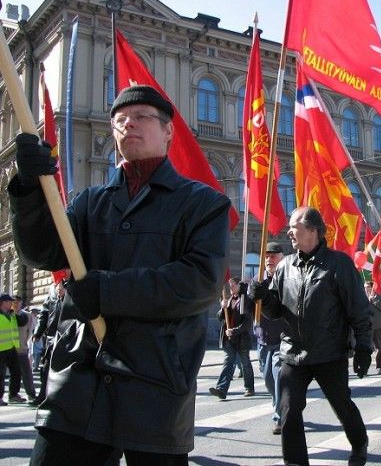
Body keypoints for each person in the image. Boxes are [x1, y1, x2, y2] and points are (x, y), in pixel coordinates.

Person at [9, 84, 231, 464]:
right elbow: (42, 252)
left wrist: (106, 291)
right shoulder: (89, 202)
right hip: (77, 382)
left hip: (155, 386)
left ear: (168, 132)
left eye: (142, 117)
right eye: (120, 120)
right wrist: (28, 190)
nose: (129, 125)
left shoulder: (203, 204)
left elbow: (199, 282)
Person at [250, 206, 372, 466]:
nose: (289, 232)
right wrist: (262, 297)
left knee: (342, 406)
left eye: (294, 227)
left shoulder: (338, 264)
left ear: (313, 230)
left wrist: (363, 346)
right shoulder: (285, 267)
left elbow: (359, 309)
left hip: (329, 352)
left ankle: (359, 443)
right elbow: (275, 311)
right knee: (288, 410)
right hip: (293, 353)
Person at [253, 242, 285, 434]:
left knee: (279, 377)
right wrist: (244, 294)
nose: (269, 259)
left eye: (273, 255)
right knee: (268, 381)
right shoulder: (258, 283)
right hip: (263, 339)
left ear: (282, 258)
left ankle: (279, 417)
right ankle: (280, 404)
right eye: (266, 256)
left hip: (282, 339)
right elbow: (247, 311)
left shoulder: (287, 280)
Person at [210, 277, 255, 399]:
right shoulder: (228, 300)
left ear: (239, 286)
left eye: (232, 286)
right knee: (228, 363)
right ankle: (221, 389)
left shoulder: (246, 300)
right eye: (229, 286)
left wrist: (234, 331)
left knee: (245, 364)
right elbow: (220, 318)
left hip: (242, 339)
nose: (230, 288)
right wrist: (222, 307)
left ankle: (249, 388)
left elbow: (247, 323)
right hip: (228, 339)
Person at [31, 282, 66, 406]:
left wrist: (66, 295)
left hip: (68, 335)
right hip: (51, 336)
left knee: (64, 370)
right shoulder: (52, 288)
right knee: (45, 369)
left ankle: (61, 399)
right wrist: (38, 332)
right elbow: (45, 312)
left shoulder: (75, 283)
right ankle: (43, 396)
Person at [0, 294, 28, 405]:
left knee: (16, 371)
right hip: (1, 349)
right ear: (2, 302)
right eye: (9, 301)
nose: (12, 303)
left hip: (12, 348)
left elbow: (23, 321)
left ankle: (13, 395)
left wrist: (17, 311)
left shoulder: (12, 314)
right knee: (0, 375)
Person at [14, 295, 37, 402]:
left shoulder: (27, 316)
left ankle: (31, 394)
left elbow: (30, 331)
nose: (16, 304)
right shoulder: (8, 315)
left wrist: (24, 343)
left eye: (18, 302)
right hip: (8, 349)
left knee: (26, 372)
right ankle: (13, 394)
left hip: (22, 348)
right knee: (11, 373)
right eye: (14, 302)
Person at [365, 282, 381, 374]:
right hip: (367, 326)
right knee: (366, 348)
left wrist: (374, 300)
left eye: (368, 287)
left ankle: (380, 366)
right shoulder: (361, 297)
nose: (367, 289)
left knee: (380, 348)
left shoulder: (378, 296)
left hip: (379, 325)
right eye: (365, 287)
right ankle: (365, 367)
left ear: (372, 287)